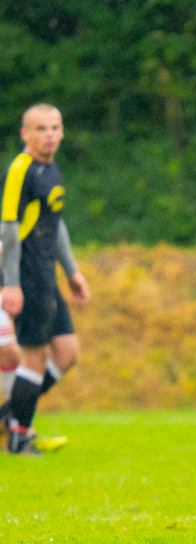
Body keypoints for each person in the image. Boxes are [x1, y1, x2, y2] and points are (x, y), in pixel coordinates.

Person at [0, 103, 90, 455]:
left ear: (63, 132)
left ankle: (10, 416)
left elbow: (56, 224)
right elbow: (8, 230)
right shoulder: (21, 170)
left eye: (54, 127)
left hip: (46, 275)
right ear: (25, 134)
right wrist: (10, 283)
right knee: (32, 358)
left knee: (67, 353)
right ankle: (20, 437)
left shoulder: (50, 169)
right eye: (40, 128)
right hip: (25, 275)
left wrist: (72, 271)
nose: (49, 134)